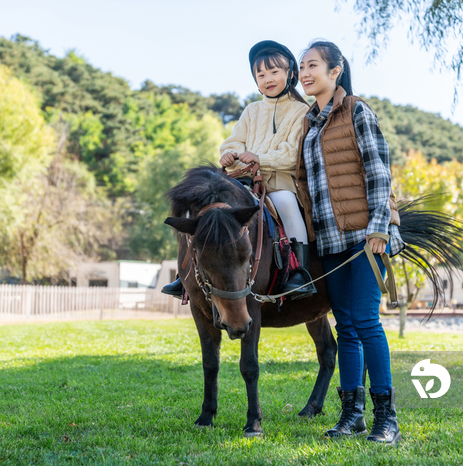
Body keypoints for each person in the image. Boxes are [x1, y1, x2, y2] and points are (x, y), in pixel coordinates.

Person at [296, 40, 405, 445]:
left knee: (366, 323)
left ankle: (386, 419)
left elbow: (379, 171)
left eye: (312, 65)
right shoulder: (309, 122)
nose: (305, 73)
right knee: (346, 328)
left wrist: (379, 227)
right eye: (302, 66)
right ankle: (352, 415)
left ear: (335, 70)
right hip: (328, 240)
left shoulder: (356, 110)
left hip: (364, 238)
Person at [162, 40, 316, 300]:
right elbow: (233, 142)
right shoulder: (251, 110)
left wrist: (259, 157)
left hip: (278, 184)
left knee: (288, 203)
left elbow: (292, 154)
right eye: (261, 74)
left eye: (274, 71)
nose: (267, 78)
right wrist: (229, 155)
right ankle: (185, 273)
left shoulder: (301, 111)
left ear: (290, 73)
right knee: (204, 209)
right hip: (242, 182)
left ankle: (298, 271)